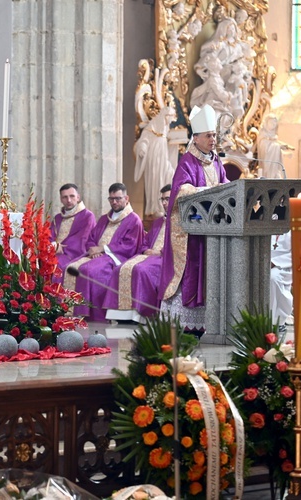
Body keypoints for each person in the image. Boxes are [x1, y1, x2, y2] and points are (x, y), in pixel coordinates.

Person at [159, 104, 229, 334]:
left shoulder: (216, 160)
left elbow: (224, 183)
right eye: (208, 135)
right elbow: (181, 191)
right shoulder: (187, 161)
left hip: (214, 229)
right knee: (193, 271)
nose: (213, 139)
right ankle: (188, 327)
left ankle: (212, 322)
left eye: (214, 135)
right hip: (193, 230)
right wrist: (210, 191)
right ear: (196, 137)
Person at [64, 183, 144, 322]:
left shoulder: (134, 220)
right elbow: (91, 239)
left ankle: (95, 316)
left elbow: (129, 246)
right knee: (71, 267)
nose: (114, 202)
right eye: (111, 199)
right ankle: (72, 312)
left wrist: (102, 249)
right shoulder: (104, 219)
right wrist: (94, 251)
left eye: (118, 198)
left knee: (90, 270)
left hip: (117, 257)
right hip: (97, 256)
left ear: (126, 198)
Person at [104, 184, 172, 320]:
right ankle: (120, 315)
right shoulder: (159, 222)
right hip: (149, 256)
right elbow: (145, 241)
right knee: (121, 268)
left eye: (168, 199)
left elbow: (179, 245)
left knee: (141, 269)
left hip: (165, 259)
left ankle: (140, 315)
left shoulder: (180, 221)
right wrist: (146, 249)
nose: (164, 203)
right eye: (162, 199)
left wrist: (161, 252)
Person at [51, 184, 96, 283]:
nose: (69, 200)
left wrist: (61, 247)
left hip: (74, 254)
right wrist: (52, 245)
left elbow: (82, 238)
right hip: (54, 252)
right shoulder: (58, 218)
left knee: (54, 263)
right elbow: (49, 235)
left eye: (72, 196)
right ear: (61, 199)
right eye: (65, 197)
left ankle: (55, 297)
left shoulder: (87, 216)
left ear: (78, 197)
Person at [271, 230, 294, 329]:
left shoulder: (298, 224)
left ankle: (275, 321)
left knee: (273, 277)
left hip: (285, 265)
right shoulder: (266, 217)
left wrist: (274, 262)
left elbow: (300, 250)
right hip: (263, 259)